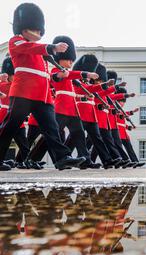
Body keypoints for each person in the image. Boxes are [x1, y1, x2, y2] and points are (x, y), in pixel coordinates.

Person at [0, 3, 86, 171]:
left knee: (51, 128)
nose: (38, 33)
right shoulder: (16, 41)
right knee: (10, 127)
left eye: (40, 31)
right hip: (24, 92)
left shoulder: (41, 54)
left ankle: (62, 158)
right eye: (36, 30)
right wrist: (51, 47)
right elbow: (29, 47)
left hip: (42, 95)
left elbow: (45, 73)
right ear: (24, 28)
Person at [27, 36, 102, 169]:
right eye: (69, 59)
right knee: (51, 135)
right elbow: (53, 78)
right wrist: (62, 75)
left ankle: (85, 160)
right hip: (61, 108)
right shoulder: (56, 70)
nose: (71, 62)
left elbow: (72, 74)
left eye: (72, 60)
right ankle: (32, 158)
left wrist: (86, 75)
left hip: (72, 109)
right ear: (60, 59)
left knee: (79, 134)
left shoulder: (68, 72)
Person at [0, 57, 31, 170]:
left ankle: (27, 160)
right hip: (4, 114)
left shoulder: (18, 85)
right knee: (4, 140)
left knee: (23, 142)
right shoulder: (2, 84)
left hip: (17, 115)